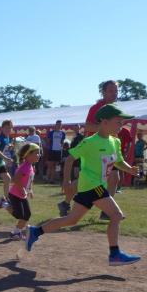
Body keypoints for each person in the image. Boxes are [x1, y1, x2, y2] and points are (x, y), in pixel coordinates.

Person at [27, 104, 141, 266]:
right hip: (92, 185)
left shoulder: (115, 141)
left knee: (71, 220)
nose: (121, 126)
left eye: (122, 122)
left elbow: (119, 162)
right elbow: (69, 159)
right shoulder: (89, 142)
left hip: (95, 187)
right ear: (104, 122)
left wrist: (130, 170)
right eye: (118, 122)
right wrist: (66, 181)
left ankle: (35, 231)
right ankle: (115, 254)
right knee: (116, 215)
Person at [59, 80, 118, 217]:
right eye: (111, 91)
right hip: (95, 148)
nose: (114, 93)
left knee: (114, 177)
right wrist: (105, 128)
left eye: (116, 91)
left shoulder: (116, 109)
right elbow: (88, 126)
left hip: (109, 147)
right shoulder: (97, 107)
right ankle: (66, 202)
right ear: (103, 92)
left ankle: (107, 211)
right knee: (88, 180)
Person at [8, 143, 40, 240]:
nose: (39, 155)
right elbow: (15, 179)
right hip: (15, 194)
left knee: (27, 215)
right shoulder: (25, 166)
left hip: (22, 195)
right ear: (28, 155)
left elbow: (29, 180)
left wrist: (30, 190)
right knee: (20, 215)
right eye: (36, 153)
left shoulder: (30, 166)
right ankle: (3, 203)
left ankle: (16, 233)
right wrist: (22, 189)